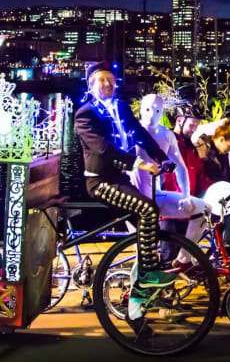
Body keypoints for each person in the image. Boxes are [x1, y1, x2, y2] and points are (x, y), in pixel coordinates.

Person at [73, 61, 174, 327]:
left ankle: (137, 302)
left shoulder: (120, 106)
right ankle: (149, 276)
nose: (108, 84)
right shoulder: (85, 115)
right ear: (91, 86)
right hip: (99, 182)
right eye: (102, 80)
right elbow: (104, 149)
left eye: (111, 79)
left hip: (119, 178)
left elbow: (139, 133)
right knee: (147, 209)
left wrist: (162, 157)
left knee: (147, 225)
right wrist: (140, 164)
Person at [131, 94, 207, 265]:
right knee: (142, 252)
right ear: (141, 110)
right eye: (148, 109)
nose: (152, 114)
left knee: (204, 210)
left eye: (158, 110)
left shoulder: (166, 135)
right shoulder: (131, 131)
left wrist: (186, 196)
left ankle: (183, 259)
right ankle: (142, 277)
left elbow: (180, 167)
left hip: (155, 194)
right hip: (133, 195)